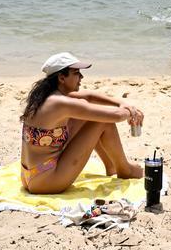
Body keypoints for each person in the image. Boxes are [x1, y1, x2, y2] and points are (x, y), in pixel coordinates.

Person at [18, 53, 146, 194]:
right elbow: (115, 116)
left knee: (90, 117)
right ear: (61, 77)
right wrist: (132, 112)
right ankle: (125, 170)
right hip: (47, 182)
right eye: (76, 73)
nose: (81, 77)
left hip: (30, 176)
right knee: (101, 121)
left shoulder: (46, 96)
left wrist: (122, 102)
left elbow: (89, 96)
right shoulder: (61, 103)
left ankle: (111, 167)